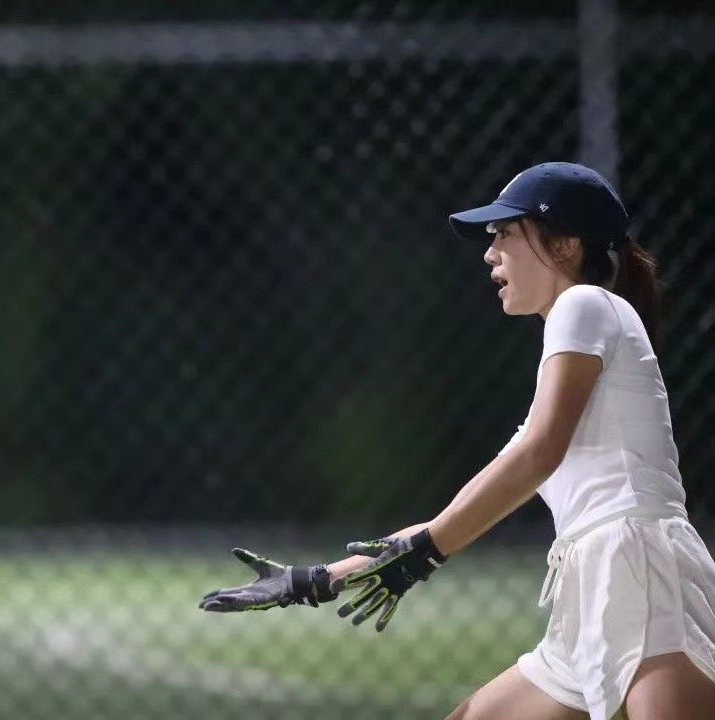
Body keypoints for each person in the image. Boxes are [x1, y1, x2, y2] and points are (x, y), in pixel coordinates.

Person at [199, 162, 715, 720]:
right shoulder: (572, 359)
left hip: (637, 566)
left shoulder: (582, 304)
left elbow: (538, 454)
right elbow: (476, 497)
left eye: (504, 234)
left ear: (564, 245)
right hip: (595, 584)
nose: (491, 254)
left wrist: (428, 553)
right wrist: (315, 579)